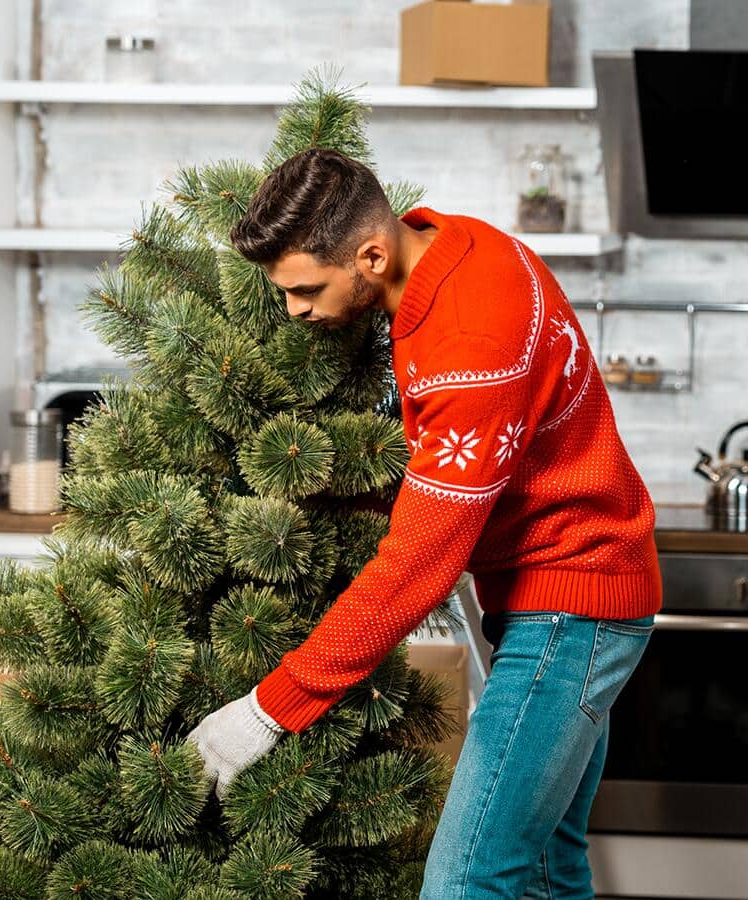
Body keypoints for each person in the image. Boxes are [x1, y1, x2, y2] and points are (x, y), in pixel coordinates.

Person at [186, 148, 663, 899]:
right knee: (544, 865)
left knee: (466, 881)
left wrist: (269, 710)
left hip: (571, 603)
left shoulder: (470, 340)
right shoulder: (455, 245)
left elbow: (418, 564)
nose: (295, 311)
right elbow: (452, 467)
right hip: (563, 591)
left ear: (371, 255)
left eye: (306, 288)